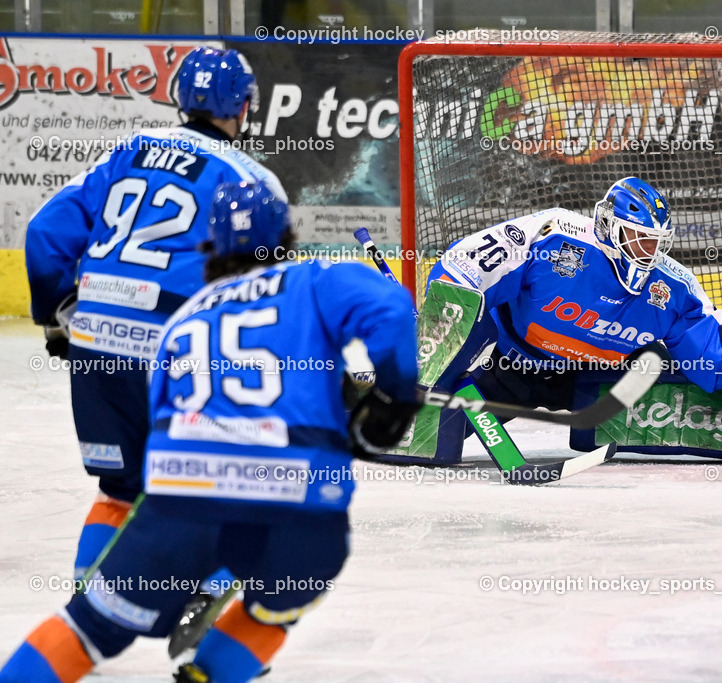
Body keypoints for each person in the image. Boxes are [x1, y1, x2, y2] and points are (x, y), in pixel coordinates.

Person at [0, 181, 420, 683]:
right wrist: (388, 399)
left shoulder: (182, 320)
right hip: (301, 503)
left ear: (211, 244)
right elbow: (392, 311)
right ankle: (211, 672)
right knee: (275, 608)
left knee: (87, 628)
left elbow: (167, 425)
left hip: (183, 500)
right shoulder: (315, 279)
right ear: (286, 237)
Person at [24, 46, 282, 581]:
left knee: (119, 491)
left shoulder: (128, 151)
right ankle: (207, 607)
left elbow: (45, 234)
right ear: (243, 106)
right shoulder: (249, 179)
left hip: (96, 348)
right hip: (177, 353)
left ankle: (84, 609)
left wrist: (56, 315)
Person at [419, 176, 722, 464]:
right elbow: (461, 269)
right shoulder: (552, 234)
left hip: (596, 381)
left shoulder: (674, 285)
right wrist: (439, 343)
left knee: (681, 407)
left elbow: (710, 350)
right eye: (637, 237)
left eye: (655, 242)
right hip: (508, 366)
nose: (646, 251)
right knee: (431, 437)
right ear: (607, 225)